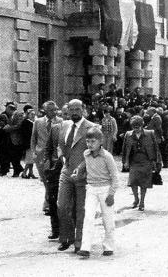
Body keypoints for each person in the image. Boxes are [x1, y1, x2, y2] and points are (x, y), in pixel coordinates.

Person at [57, 99, 96, 252]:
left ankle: (79, 242)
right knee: (62, 205)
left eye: (77, 109)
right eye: (71, 109)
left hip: (83, 174)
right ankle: (67, 237)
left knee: (81, 210)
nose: (74, 112)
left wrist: (82, 167)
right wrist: (61, 157)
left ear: (83, 109)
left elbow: (95, 152)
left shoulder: (92, 128)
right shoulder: (64, 125)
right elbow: (60, 145)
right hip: (66, 171)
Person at [74, 127, 119, 258]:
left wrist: (111, 194)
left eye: (93, 141)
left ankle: (109, 246)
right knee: (88, 217)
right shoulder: (86, 154)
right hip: (91, 189)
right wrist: (78, 170)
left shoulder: (107, 156)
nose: (90, 144)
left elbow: (115, 177)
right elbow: (84, 164)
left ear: (101, 141)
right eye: (88, 141)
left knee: (108, 219)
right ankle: (85, 247)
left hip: (105, 189)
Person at [121, 115, 162, 211]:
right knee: (133, 182)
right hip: (134, 161)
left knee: (144, 183)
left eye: (138, 127)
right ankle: (136, 199)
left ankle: (142, 202)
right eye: (134, 127)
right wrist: (125, 161)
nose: (136, 129)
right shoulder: (128, 134)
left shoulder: (150, 133)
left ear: (142, 125)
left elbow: (156, 149)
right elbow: (125, 149)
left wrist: (157, 162)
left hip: (146, 161)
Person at [30, 101, 63, 213]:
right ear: (45, 110)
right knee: (45, 179)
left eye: (55, 109)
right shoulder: (38, 122)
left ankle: (48, 203)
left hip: (54, 155)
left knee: (52, 179)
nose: (54, 112)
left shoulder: (61, 121)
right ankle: (49, 202)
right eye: (51, 110)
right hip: (40, 155)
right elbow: (33, 139)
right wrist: (34, 152)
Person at [21, 105, 37, 179]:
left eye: (34, 114)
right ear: (28, 115)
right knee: (29, 159)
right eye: (31, 114)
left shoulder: (33, 122)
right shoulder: (26, 122)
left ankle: (31, 172)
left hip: (33, 143)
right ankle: (24, 172)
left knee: (32, 159)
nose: (33, 116)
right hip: (28, 143)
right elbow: (26, 134)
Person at [9, 111, 25, 177]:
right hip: (13, 140)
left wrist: (9, 128)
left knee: (16, 158)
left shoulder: (21, 121)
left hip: (18, 141)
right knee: (14, 158)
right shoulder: (13, 119)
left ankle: (17, 171)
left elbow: (18, 126)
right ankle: (18, 170)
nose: (20, 117)